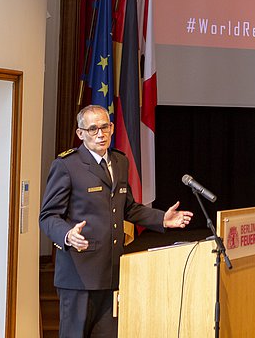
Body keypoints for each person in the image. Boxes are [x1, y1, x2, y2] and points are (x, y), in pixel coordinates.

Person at [40, 104, 194, 337]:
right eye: (92, 129)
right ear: (80, 133)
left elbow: (128, 207)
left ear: (112, 128)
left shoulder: (119, 161)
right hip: (79, 276)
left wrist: (162, 219)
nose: (100, 134)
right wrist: (68, 235)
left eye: (104, 127)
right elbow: (48, 216)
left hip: (112, 272)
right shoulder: (66, 165)